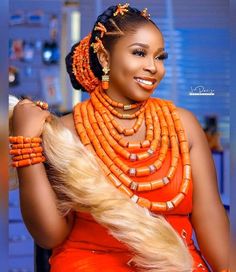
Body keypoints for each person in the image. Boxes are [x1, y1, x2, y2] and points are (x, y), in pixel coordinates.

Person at [9, 3, 230, 272]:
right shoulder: (67, 131)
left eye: (160, 57)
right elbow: (50, 235)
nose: (153, 67)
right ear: (104, 57)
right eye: (139, 53)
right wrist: (26, 143)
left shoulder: (183, 126)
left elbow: (210, 216)